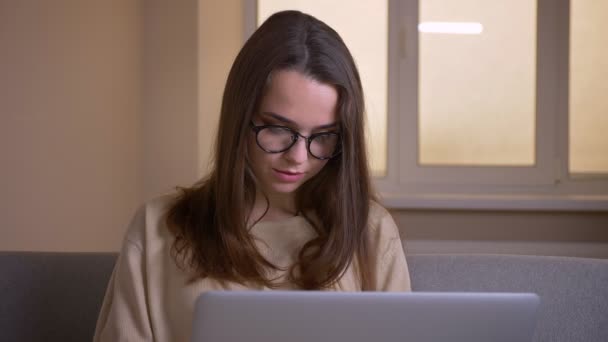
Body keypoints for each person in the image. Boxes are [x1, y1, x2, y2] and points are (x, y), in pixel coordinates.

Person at [93, 10, 410, 342]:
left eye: (324, 135)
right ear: (240, 118)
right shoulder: (157, 228)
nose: (298, 158)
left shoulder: (370, 231)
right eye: (277, 129)